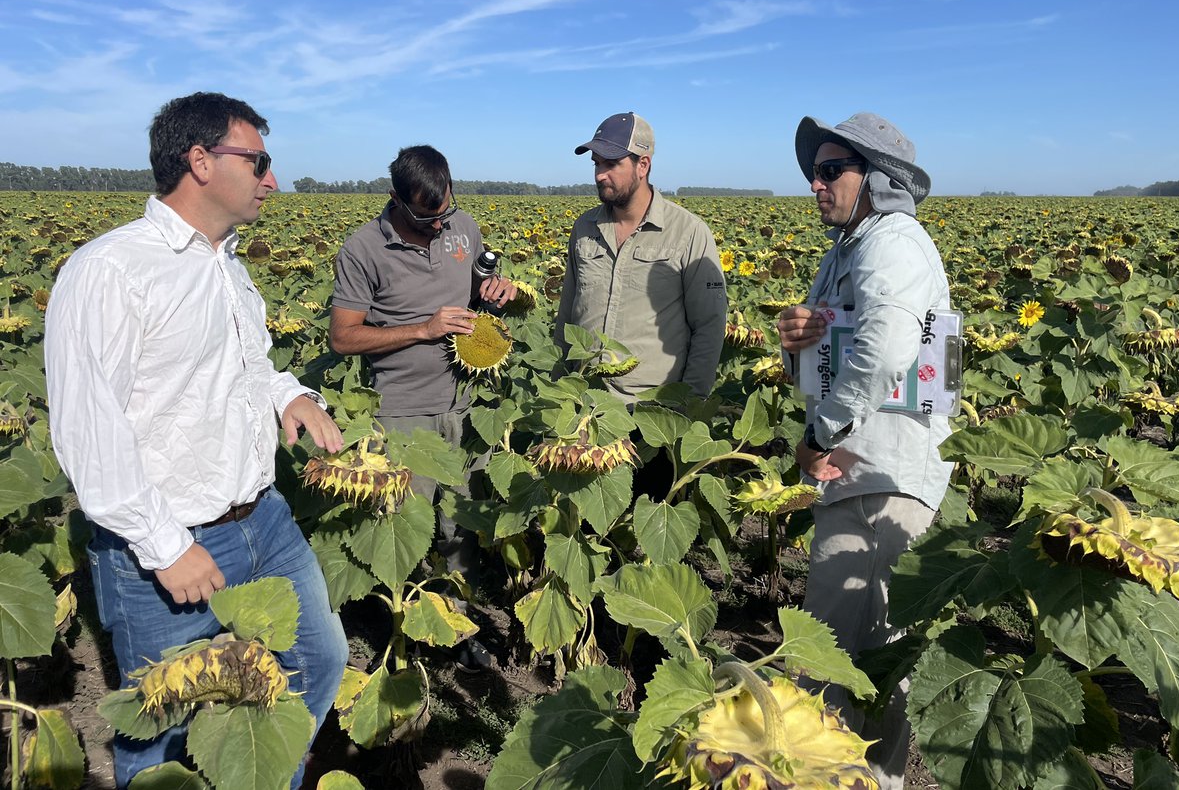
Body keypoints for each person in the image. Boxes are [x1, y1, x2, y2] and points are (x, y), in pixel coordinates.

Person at [44, 92, 349, 789]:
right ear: (201, 160)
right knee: (163, 729)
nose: (273, 180)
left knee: (319, 658)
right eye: (260, 161)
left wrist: (288, 393)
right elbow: (89, 429)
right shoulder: (112, 271)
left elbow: (247, 366)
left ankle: (265, 774)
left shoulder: (228, 266)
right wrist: (165, 544)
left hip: (264, 520)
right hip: (172, 539)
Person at [777, 112, 952, 790]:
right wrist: (798, 340)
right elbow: (833, 359)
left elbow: (886, 351)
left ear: (877, 179)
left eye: (829, 171)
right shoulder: (845, 251)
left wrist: (821, 433)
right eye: (812, 173)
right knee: (860, 655)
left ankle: (861, 780)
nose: (815, 185)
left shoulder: (893, 242)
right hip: (856, 474)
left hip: (884, 476)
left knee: (843, 656)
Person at [329, 144, 514, 668]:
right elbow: (343, 338)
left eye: (446, 213)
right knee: (404, 526)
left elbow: (476, 287)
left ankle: (457, 625)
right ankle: (404, 631)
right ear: (395, 202)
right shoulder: (362, 249)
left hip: (464, 401)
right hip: (402, 411)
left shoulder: (462, 228)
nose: (439, 227)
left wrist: (491, 291)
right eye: (426, 217)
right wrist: (424, 329)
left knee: (459, 523)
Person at [555, 112, 727, 405]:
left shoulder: (687, 232)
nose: (599, 174)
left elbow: (709, 326)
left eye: (611, 164)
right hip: (582, 399)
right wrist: (559, 384)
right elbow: (567, 314)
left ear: (643, 165)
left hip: (650, 406)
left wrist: (690, 402)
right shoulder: (584, 227)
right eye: (596, 164)